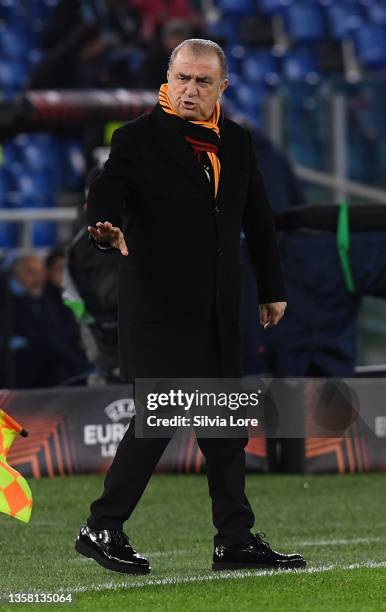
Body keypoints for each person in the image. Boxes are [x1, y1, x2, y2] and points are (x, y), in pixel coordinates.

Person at [75, 39, 306, 574]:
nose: (189, 90)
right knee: (159, 416)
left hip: (219, 311)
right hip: (158, 310)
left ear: (222, 87)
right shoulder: (136, 138)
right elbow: (107, 187)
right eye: (182, 78)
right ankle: (101, 525)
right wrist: (103, 228)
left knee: (225, 428)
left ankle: (234, 540)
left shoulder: (239, 142)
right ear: (168, 77)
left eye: (203, 81)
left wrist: (273, 288)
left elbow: (259, 221)